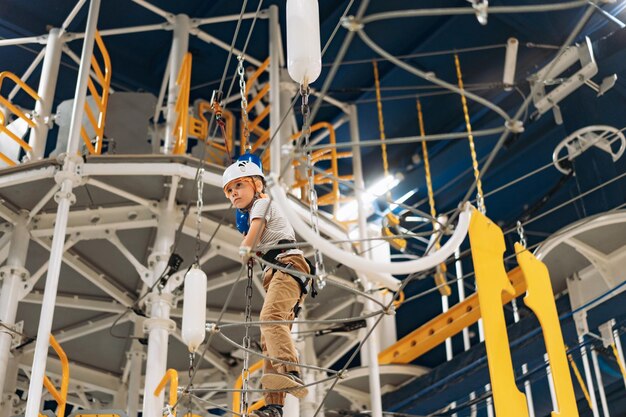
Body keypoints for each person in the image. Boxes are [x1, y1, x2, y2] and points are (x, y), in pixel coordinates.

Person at [222, 159, 311, 417]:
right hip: (277, 271)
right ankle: (274, 406)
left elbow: (254, 234)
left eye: (238, 185)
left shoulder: (263, 203)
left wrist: (246, 248)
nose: (233, 193)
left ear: (256, 184)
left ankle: (291, 371)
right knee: (268, 340)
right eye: (229, 191)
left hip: (288, 266)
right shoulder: (254, 210)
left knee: (270, 319)